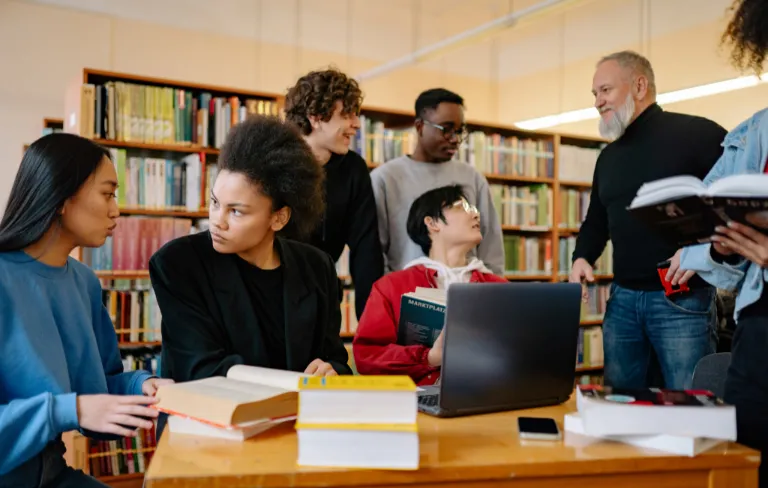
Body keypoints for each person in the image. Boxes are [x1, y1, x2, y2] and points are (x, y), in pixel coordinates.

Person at [0, 133, 169, 486]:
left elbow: (96, 390)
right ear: (62, 197)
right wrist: (68, 410)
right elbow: (78, 406)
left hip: (51, 473)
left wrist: (142, 386)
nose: (116, 210)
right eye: (107, 193)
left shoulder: (84, 282)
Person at [149, 116, 352, 397]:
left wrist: (331, 371)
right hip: (209, 418)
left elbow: (336, 360)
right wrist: (293, 383)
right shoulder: (178, 264)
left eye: (236, 211)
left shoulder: (317, 267)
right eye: (215, 203)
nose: (217, 221)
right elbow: (201, 369)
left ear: (279, 218)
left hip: (296, 418)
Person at [568, 50, 728, 391]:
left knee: (689, 405)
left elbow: (737, 202)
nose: (597, 101)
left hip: (683, 299)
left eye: (605, 90)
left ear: (639, 86)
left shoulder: (698, 135)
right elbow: (596, 219)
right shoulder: (608, 158)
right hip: (622, 301)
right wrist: (581, 257)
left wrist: (706, 252)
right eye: (594, 93)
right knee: (621, 404)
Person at [678, 1, 768, 484]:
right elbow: (715, 231)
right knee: (744, 462)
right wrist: (717, 246)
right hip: (758, 324)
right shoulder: (754, 131)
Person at [353, 185, 506, 385]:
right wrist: (429, 358)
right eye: (462, 207)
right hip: (417, 399)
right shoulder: (390, 287)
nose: (476, 215)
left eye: (474, 209)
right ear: (432, 223)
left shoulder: (500, 288)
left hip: (487, 394)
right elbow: (368, 356)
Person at [283, 67, 384, 320]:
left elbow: (366, 249)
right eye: (347, 114)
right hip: (269, 298)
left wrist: (371, 323)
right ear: (315, 117)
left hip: (322, 300)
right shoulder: (274, 162)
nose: (356, 124)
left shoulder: (354, 169)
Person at [370, 88, 505, 276]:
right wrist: (390, 290)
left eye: (459, 131)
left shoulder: (473, 178)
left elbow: (491, 247)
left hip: (467, 289)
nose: (455, 139)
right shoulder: (385, 179)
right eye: (446, 130)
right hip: (407, 289)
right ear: (420, 127)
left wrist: (493, 288)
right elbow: (374, 251)